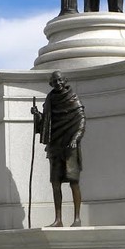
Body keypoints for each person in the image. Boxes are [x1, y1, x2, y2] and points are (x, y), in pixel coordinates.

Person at [31, 70, 86, 227]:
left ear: (65, 80)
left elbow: (81, 120)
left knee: (73, 181)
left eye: (60, 80)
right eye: (55, 81)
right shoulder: (50, 99)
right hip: (55, 145)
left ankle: (77, 218)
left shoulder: (72, 97)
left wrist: (75, 138)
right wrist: (37, 116)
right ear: (51, 83)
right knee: (55, 182)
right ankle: (58, 219)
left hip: (70, 145)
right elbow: (46, 124)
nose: (58, 83)